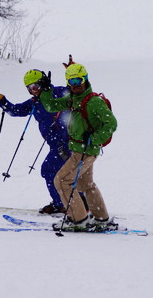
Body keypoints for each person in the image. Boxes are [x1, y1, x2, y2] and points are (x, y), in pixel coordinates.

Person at [37, 60, 118, 232]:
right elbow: (51, 106)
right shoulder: (73, 99)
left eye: (79, 80)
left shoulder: (94, 101)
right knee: (85, 185)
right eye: (72, 82)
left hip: (84, 151)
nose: (76, 85)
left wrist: (95, 138)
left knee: (62, 181)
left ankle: (78, 219)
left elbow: (111, 123)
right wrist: (45, 91)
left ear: (85, 79)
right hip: (79, 150)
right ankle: (101, 218)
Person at [0, 70, 71, 215]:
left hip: (69, 143)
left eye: (35, 87)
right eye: (29, 89)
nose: (33, 91)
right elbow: (15, 110)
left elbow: (78, 94)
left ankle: (64, 204)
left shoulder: (60, 92)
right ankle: (71, 202)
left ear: (43, 83)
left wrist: (72, 72)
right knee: (62, 173)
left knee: (50, 170)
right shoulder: (35, 102)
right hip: (56, 146)